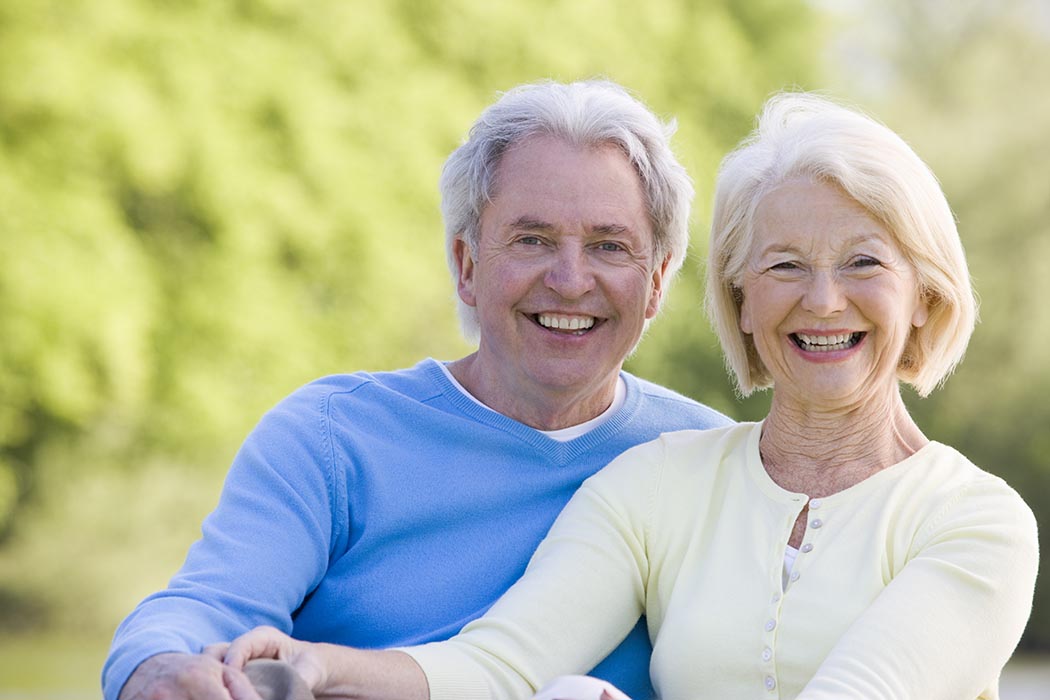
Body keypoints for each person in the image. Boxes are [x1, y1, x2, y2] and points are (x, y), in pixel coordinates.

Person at [215, 92, 1040, 699]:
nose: (823, 301)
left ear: (926, 298)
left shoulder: (979, 522)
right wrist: (317, 667)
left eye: (864, 263)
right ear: (741, 300)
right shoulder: (660, 479)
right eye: (785, 265)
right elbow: (498, 664)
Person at [102, 79, 733, 700]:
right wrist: (157, 667)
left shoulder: (709, 461)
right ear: (466, 264)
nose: (570, 280)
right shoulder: (331, 437)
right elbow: (207, 604)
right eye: (532, 240)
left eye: (608, 246)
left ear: (655, 283)